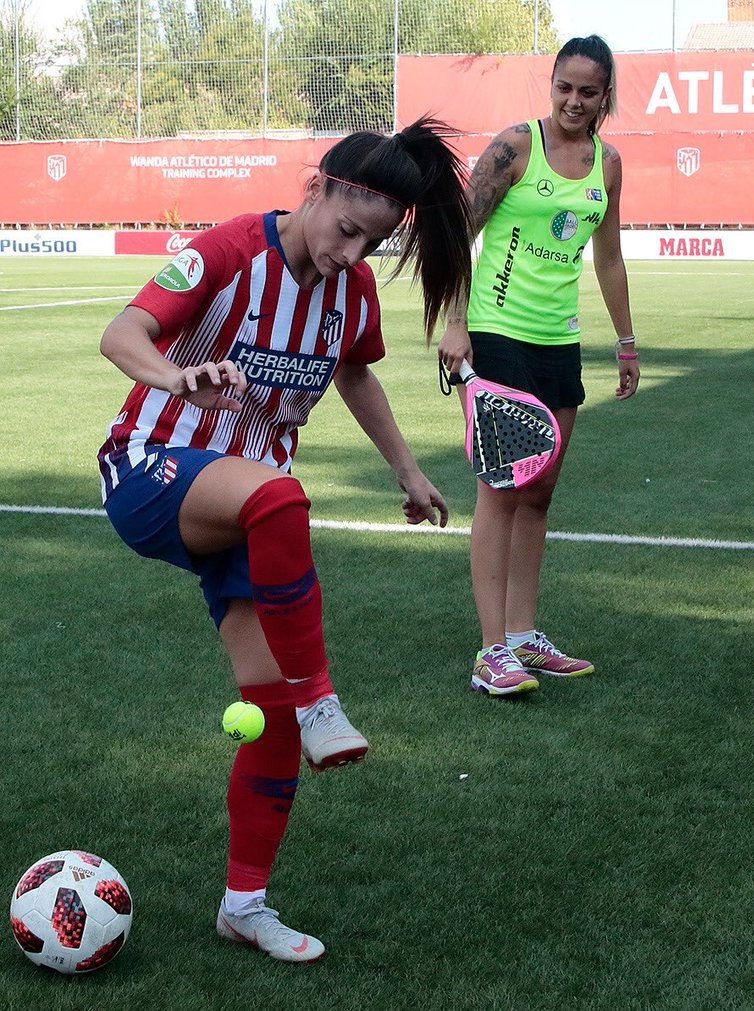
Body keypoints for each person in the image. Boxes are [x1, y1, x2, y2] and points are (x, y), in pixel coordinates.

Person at [97, 119, 474, 962]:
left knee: (264, 717)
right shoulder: (230, 248)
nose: (351, 254)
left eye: (372, 244)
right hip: (152, 467)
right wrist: (177, 377)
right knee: (280, 496)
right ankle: (321, 697)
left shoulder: (352, 294)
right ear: (318, 188)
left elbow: (355, 372)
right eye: (346, 230)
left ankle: (244, 904)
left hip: (245, 510)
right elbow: (121, 334)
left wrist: (409, 472)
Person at [437, 35, 640, 697]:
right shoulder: (514, 147)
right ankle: (490, 649)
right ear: (550, 85)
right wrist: (456, 321)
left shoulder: (607, 164)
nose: (574, 101)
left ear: (605, 94)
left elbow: (607, 258)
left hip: (560, 340)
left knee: (540, 492)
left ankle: (524, 636)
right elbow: (458, 234)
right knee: (500, 492)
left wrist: (627, 340)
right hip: (498, 334)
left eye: (588, 91)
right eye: (565, 87)